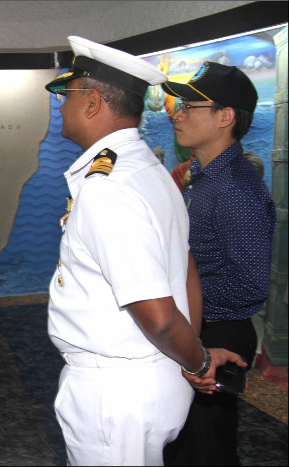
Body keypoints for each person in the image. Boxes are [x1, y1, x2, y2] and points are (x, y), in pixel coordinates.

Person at [43, 36, 247, 466]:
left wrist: (199, 360)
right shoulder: (148, 168)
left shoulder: (109, 188)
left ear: (93, 102)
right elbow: (185, 265)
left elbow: (155, 312)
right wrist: (191, 348)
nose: (61, 105)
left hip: (116, 393)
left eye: (67, 94)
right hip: (150, 372)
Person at [161, 61, 276, 466]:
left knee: (207, 449)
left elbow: (249, 284)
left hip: (219, 330)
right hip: (195, 322)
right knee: (183, 442)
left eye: (190, 106)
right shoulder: (203, 177)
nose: (178, 113)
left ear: (225, 117)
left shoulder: (236, 189)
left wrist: (176, 299)